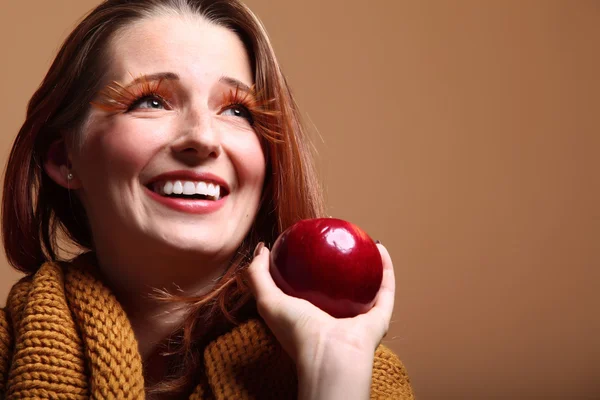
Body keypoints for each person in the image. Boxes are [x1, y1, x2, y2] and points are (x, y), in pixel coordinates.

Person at [0, 0, 414, 398]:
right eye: (151, 101)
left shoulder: (366, 380)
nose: (202, 137)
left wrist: (332, 374)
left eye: (237, 111)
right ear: (63, 158)